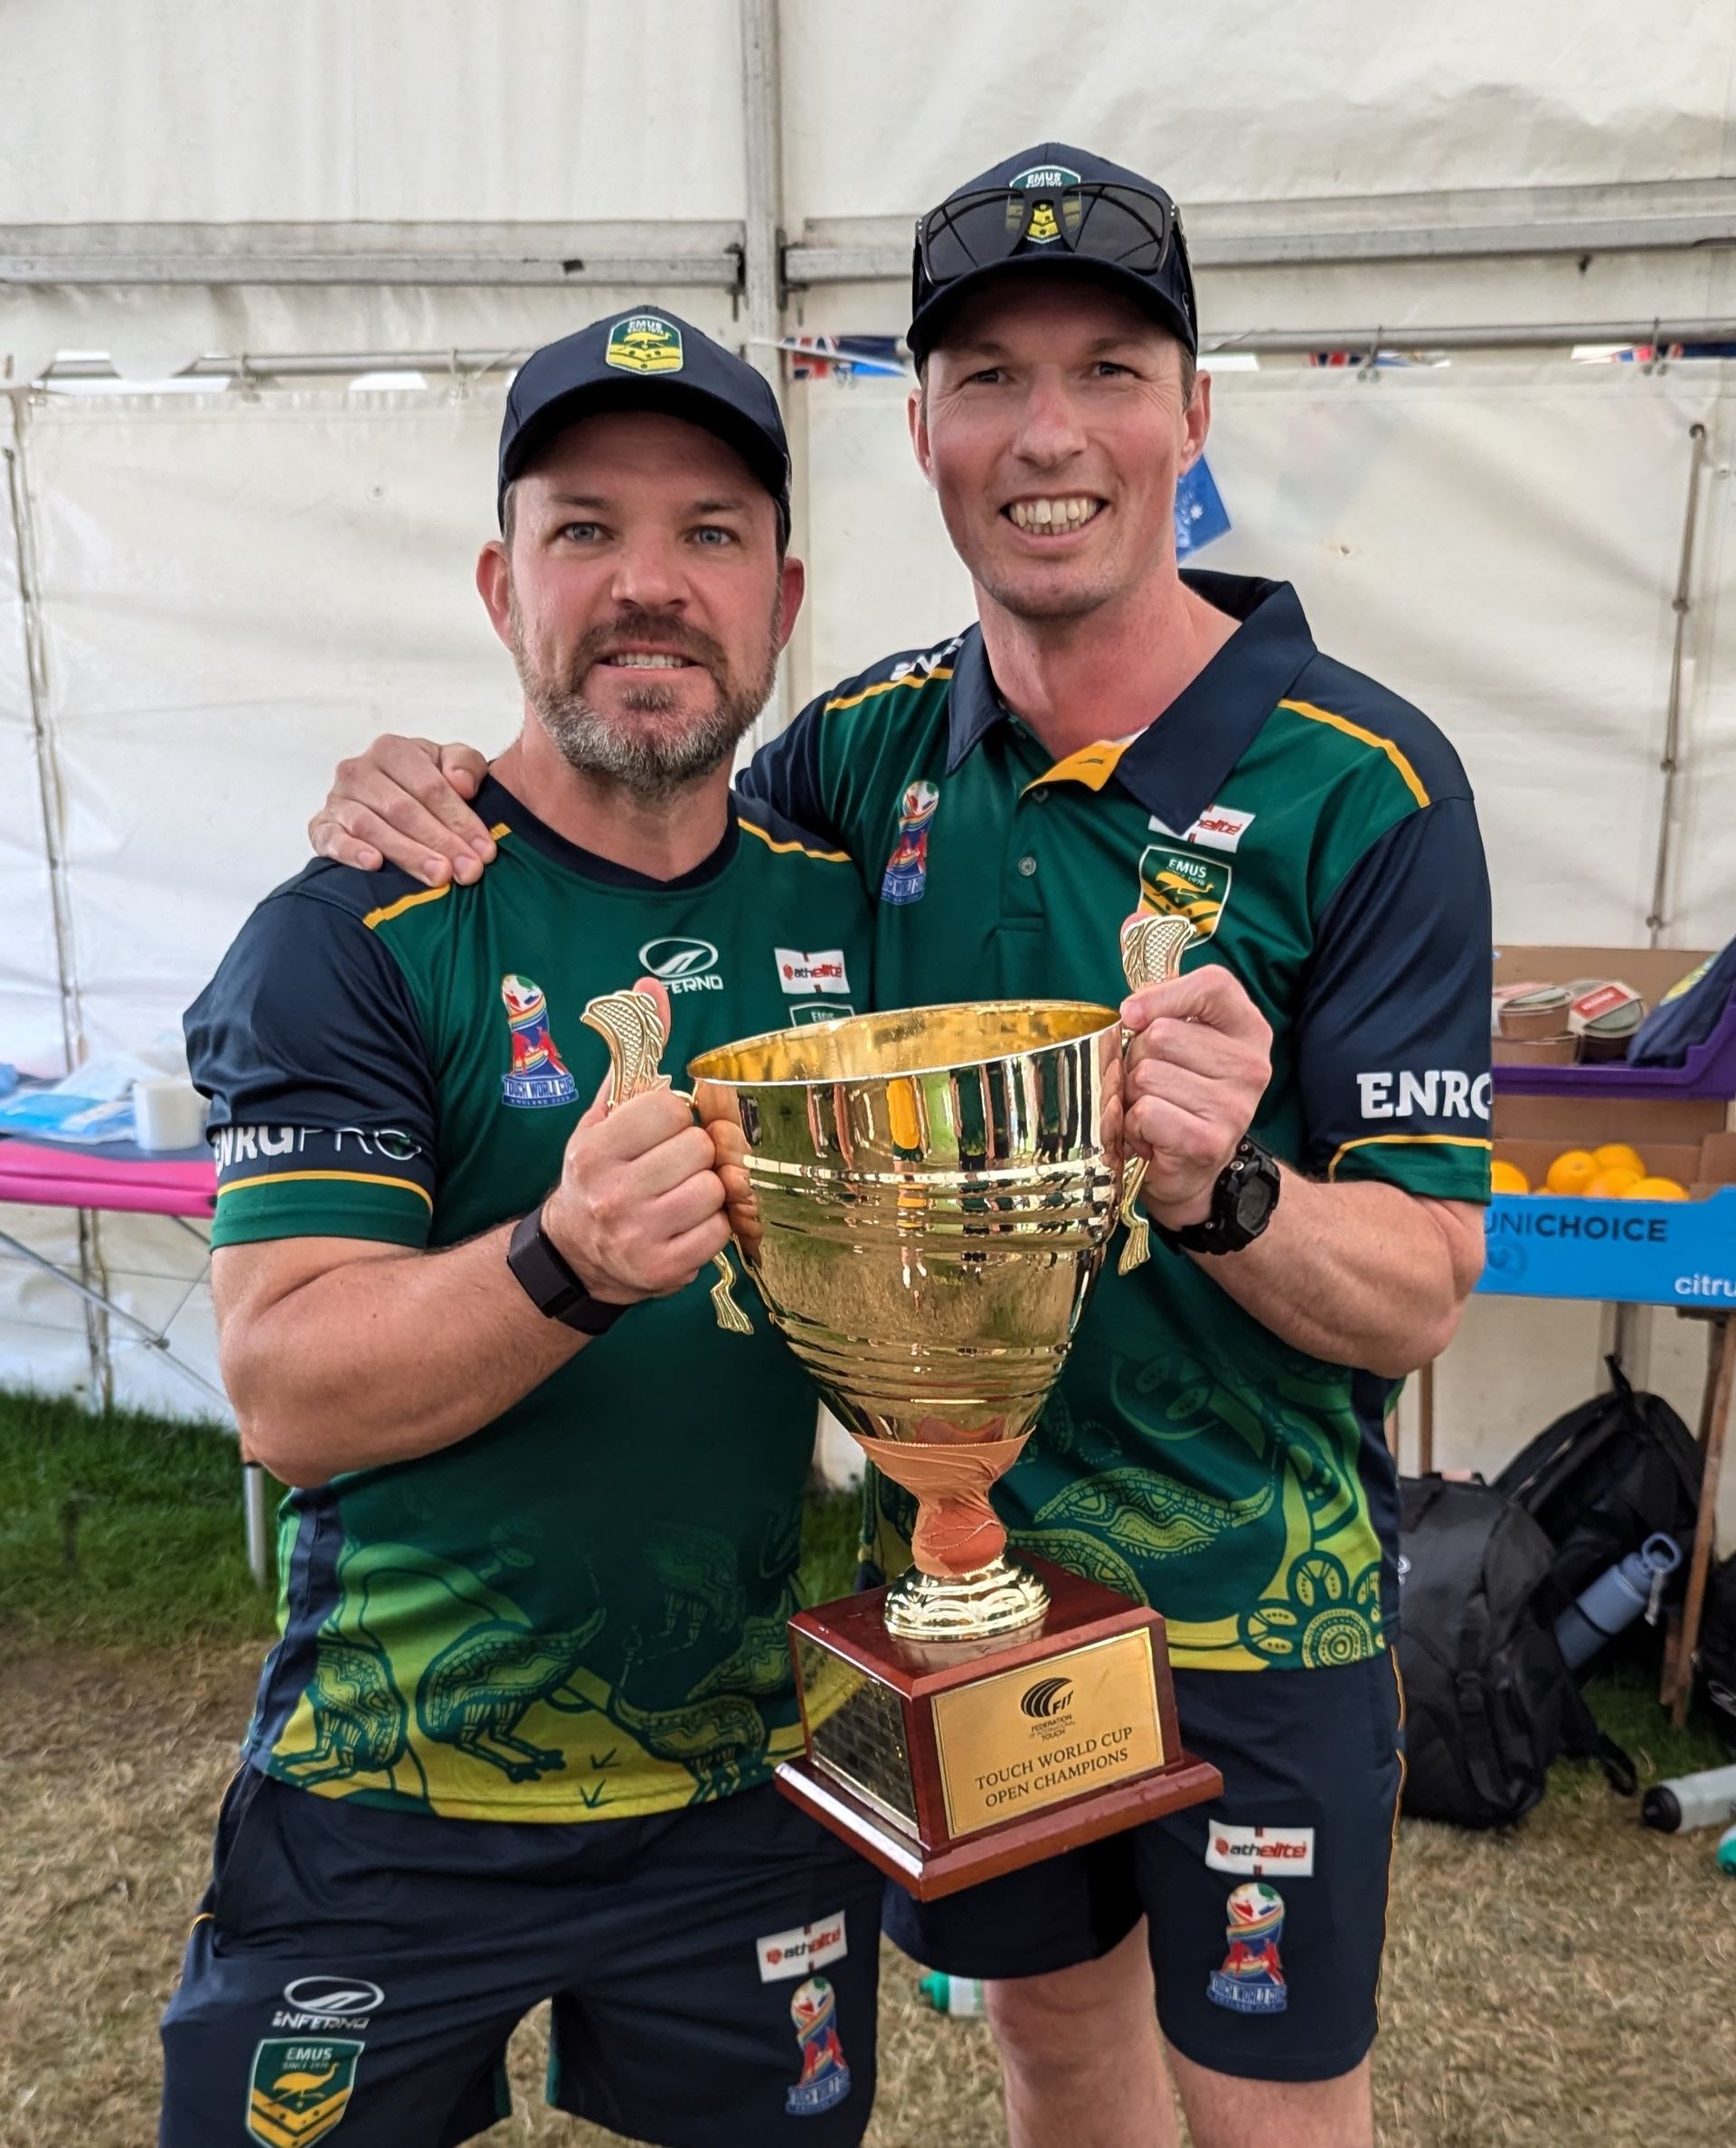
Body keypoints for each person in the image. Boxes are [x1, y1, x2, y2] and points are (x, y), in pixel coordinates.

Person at [307, 145, 1494, 2148]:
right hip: (959, 1594)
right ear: (921, 437)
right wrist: (436, 780)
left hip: (1255, 1618)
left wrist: (1226, 1188)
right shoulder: (853, 757)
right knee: (1049, 2049)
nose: (1051, 438)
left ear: (1193, 417)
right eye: (986, 382)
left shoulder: (1365, 785)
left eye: (1109, 370)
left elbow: (1427, 1279)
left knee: (1275, 2112)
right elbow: (632, 799)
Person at [160, 312, 884, 2148]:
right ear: (501, 583)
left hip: (744, 1785)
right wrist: (561, 1261)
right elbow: (286, 1390)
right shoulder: (362, 922)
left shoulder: (859, 917)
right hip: (393, 1801)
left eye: (711, 533)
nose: (650, 585)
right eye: (585, 530)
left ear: (784, 593)